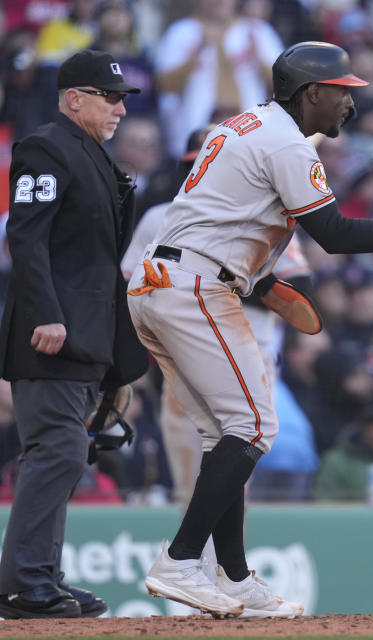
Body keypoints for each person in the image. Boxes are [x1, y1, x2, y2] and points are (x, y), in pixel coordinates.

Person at [127, 42, 373, 618]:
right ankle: (179, 559)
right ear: (312, 93)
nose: (350, 103)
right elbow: (336, 234)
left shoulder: (245, 126)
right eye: (343, 91)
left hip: (164, 282)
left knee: (229, 436)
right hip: (194, 287)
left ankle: (236, 577)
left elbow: (227, 216)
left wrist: (263, 284)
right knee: (253, 427)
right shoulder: (286, 142)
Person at [0, 50, 148, 618]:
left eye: (123, 99)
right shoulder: (45, 147)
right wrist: (44, 314)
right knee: (57, 449)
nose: (119, 109)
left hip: (87, 335)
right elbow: (27, 237)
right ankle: (24, 583)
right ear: (73, 98)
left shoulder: (94, 156)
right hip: (52, 333)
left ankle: (43, 579)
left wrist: (114, 358)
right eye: (108, 97)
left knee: (68, 452)